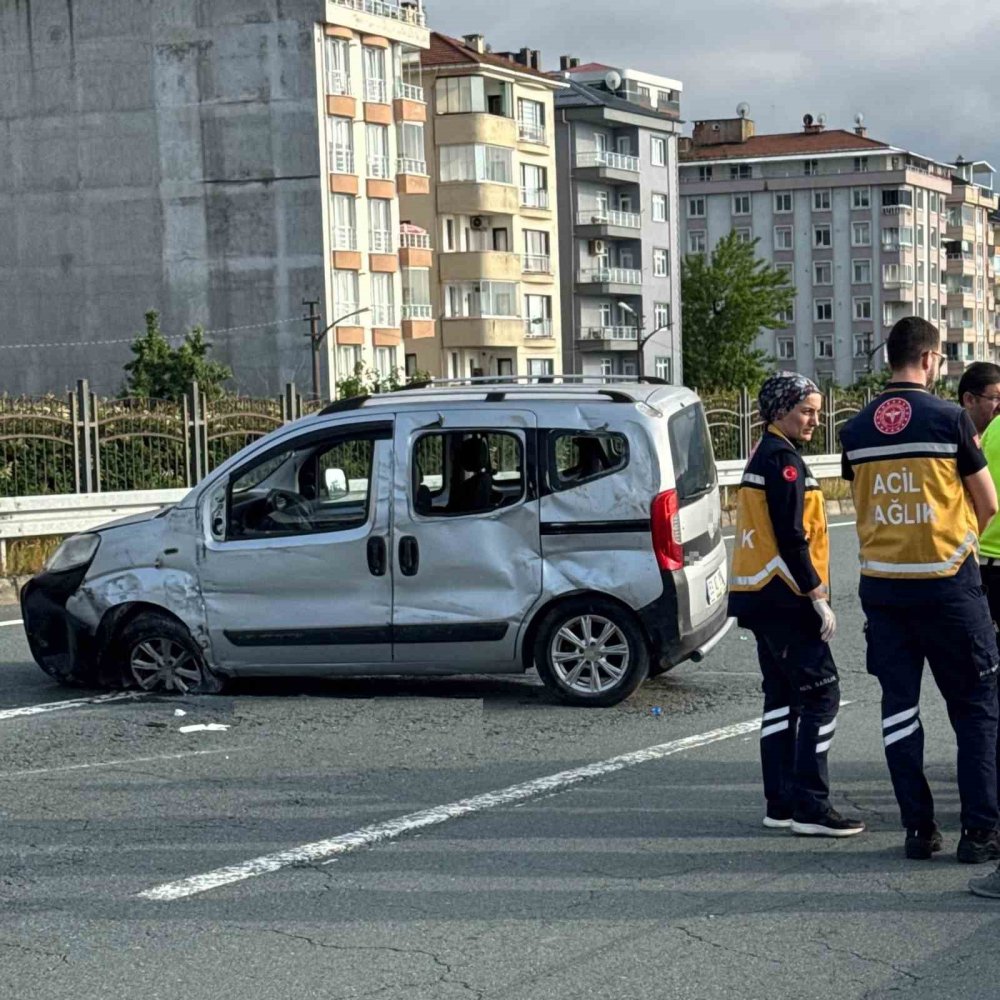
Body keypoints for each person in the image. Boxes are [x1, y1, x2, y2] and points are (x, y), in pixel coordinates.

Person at [840, 317, 1000, 868]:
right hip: (949, 585)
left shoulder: (856, 428)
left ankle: (918, 829)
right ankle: (979, 834)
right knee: (975, 708)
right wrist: (959, 548)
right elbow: (988, 502)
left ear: (891, 358)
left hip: (884, 589)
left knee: (900, 711)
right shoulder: (949, 418)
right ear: (931, 360)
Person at [729, 371, 865, 838]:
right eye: (806, 411)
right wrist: (818, 597)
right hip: (785, 596)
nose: (814, 420)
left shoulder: (763, 454)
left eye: (818, 412)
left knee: (781, 698)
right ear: (780, 410)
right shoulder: (783, 461)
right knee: (822, 694)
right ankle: (811, 805)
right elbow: (792, 535)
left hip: (759, 595)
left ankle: (781, 802)